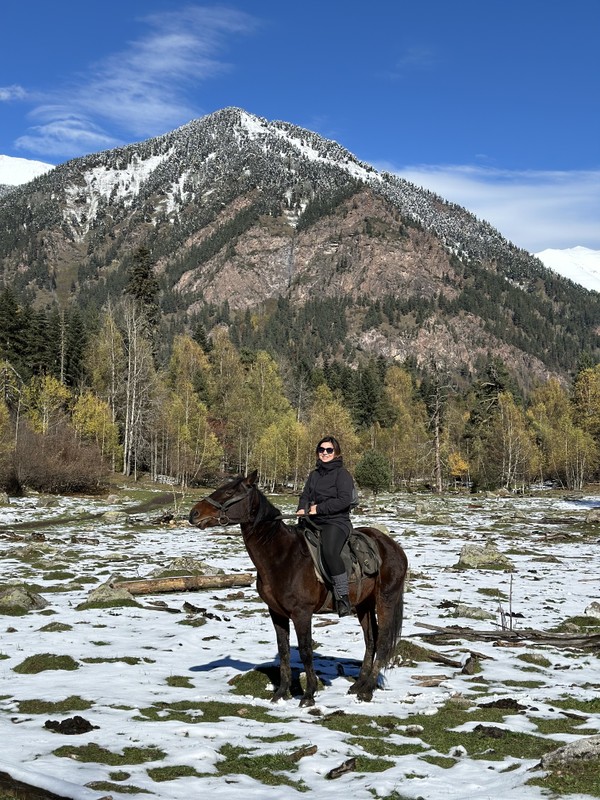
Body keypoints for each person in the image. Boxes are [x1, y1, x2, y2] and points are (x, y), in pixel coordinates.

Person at [297, 436, 354, 617]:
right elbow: (305, 495)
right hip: (313, 520)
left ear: (336, 452)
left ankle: (343, 597)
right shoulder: (314, 475)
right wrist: (301, 508)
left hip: (336, 521)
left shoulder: (342, 474)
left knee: (329, 552)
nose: (325, 453)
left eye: (329, 450)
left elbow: (345, 500)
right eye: (322, 449)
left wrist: (319, 508)